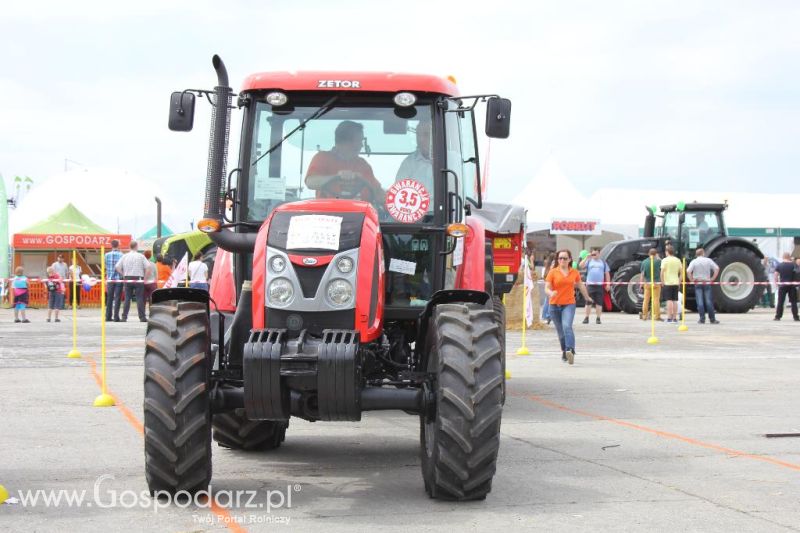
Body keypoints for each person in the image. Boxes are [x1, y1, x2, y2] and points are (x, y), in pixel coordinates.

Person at [305, 120, 383, 203]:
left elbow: (378, 191)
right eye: (359, 140)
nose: (362, 145)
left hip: (362, 214)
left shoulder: (363, 165)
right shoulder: (322, 158)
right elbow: (310, 182)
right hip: (328, 214)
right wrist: (337, 177)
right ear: (346, 141)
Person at [545, 249, 594, 365]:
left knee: (567, 326)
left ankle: (570, 349)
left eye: (565, 258)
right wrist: (550, 293)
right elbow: (546, 287)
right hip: (554, 306)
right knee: (561, 333)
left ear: (570, 260)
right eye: (560, 258)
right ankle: (564, 351)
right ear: (558, 260)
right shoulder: (553, 272)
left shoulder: (574, 272)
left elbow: (581, 286)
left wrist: (587, 297)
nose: (562, 260)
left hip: (569, 304)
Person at [115, 240, 150, 322]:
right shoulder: (141, 256)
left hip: (127, 278)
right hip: (139, 278)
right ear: (136, 246)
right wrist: (145, 278)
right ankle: (142, 317)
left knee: (127, 298)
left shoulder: (125, 256)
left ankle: (124, 317)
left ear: (130, 247)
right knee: (139, 298)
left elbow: (117, 267)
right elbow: (148, 267)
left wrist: (123, 274)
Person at [395, 121, 433, 194]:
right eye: (418, 134)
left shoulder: (448, 159)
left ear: (435, 136)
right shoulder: (409, 162)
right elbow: (399, 191)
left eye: (426, 134)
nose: (420, 139)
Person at [687, 247, 720, 324]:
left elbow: (688, 271)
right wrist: (712, 278)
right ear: (703, 253)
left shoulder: (694, 261)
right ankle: (712, 319)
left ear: (696, 254)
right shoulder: (708, 260)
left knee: (700, 301)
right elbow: (717, 268)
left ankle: (702, 319)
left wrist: (692, 279)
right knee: (708, 301)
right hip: (707, 282)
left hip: (698, 283)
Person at [579, 247, 610, 324]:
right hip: (590, 285)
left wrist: (608, 284)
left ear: (599, 254)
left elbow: (607, 274)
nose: (594, 255)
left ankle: (598, 318)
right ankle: (586, 317)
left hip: (599, 285)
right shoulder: (589, 261)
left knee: (599, 303)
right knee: (588, 302)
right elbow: (580, 266)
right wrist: (586, 257)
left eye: (595, 253)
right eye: (593, 253)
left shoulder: (603, 263)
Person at [660, 245, 683, 323]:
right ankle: (675, 318)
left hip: (668, 283)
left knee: (669, 300)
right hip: (676, 282)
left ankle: (669, 318)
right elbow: (681, 273)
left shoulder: (665, 260)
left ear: (667, 252)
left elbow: (662, 272)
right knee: (675, 300)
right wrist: (679, 281)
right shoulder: (678, 260)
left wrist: (662, 281)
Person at [773, 252, 799, 321]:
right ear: (789, 257)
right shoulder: (793, 265)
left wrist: (776, 283)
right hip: (792, 286)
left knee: (780, 302)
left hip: (782, 285)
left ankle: (778, 317)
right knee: (793, 302)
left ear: (783, 257)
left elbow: (776, 274)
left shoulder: (779, 265)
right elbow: (797, 272)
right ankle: (796, 317)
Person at [639, 248, 662, 321]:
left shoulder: (644, 262)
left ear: (648, 254)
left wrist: (641, 284)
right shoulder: (659, 261)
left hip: (647, 283)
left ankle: (644, 315)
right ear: (656, 254)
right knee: (656, 300)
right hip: (656, 283)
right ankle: (657, 316)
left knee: (646, 300)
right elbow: (662, 270)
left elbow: (642, 275)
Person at [105, 239, 124, 322]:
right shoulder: (121, 255)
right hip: (119, 279)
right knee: (117, 298)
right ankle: (116, 317)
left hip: (110, 279)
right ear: (118, 245)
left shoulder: (106, 255)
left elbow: (106, 265)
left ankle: (108, 316)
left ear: (111, 245)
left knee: (109, 298)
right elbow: (122, 266)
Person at [541, 252, 556, 324]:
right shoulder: (553, 264)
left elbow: (544, 276)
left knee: (547, 301)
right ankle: (548, 316)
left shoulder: (547, 265)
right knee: (549, 301)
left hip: (547, 283)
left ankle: (545, 316)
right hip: (551, 284)